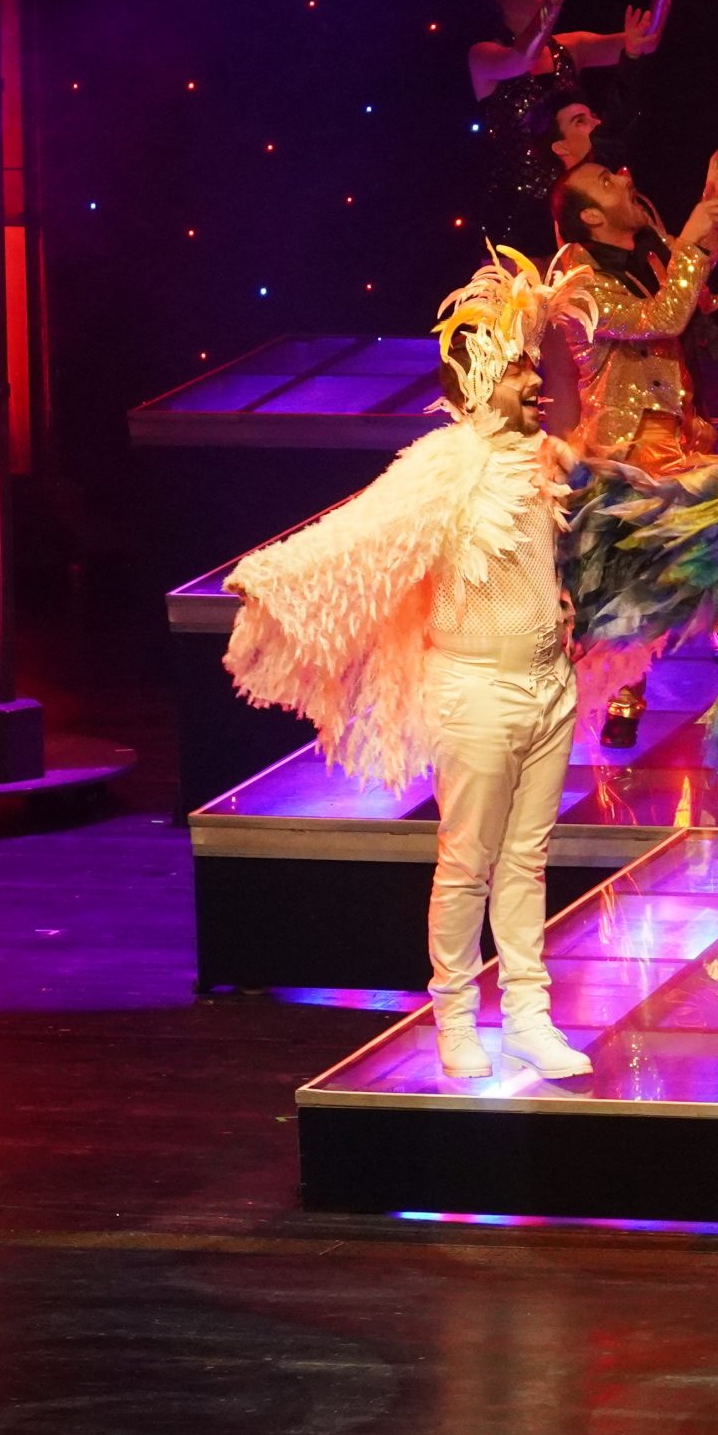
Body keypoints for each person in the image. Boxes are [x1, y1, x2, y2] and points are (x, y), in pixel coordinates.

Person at [222, 250, 607, 1082]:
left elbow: (572, 421)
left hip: (549, 685)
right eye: (518, 369)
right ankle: (456, 1016)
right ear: (479, 381)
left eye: (532, 368)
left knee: (527, 857)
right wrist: (273, 574)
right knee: (467, 859)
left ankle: (530, 1016)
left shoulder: (542, 458)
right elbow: (361, 535)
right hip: (476, 688)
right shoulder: (444, 465)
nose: (534, 383)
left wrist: (544, 327)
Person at [550, 149, 718, 745]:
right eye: (606, 181)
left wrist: (714, 208)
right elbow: (661, 317)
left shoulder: (645, 252)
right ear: (591, 217)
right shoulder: (580, 283)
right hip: (626, 453)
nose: (625, 177)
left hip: (675, 437)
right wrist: (690, 238)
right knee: (633, 582)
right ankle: (623, 696)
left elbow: (695, 279)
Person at [470, 0, 695, 252]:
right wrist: (554, 1)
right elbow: (521, 58)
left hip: (579, 206)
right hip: (516, 215)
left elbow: (644, 42)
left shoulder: (571, 47)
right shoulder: (483, 55)